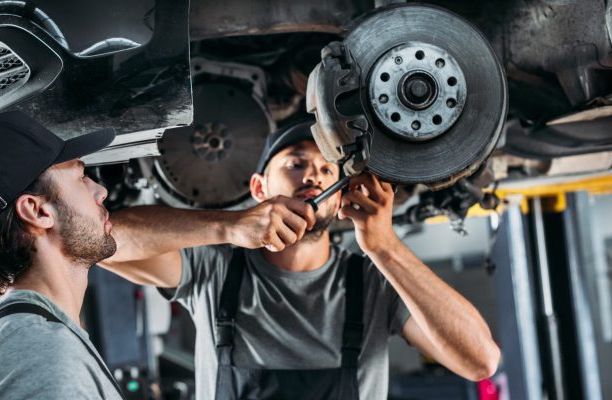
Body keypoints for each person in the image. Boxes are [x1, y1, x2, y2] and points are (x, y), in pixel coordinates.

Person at [100, 120, 500, 400]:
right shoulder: (215, 272)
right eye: (296, 164)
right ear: (259, 187)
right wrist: (228, 226)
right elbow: (103, 239)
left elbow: (480, 361)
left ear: (341, 195)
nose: (313, 177)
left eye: (328, 170)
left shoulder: (375, 284)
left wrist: (384, 246)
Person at [0, 111, 124, 399]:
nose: (100, 190)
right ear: (37, 211)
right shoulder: (40, 355)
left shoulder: (20, 338)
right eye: (81, 177)